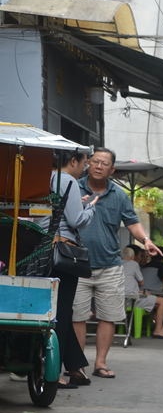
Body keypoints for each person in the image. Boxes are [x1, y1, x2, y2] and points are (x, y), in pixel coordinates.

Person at [72, 148, 162, 379]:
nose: (99, 166)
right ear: (88, 164)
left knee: (108, 316)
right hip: (77, 263)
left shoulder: (119, 195)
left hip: (110, 266)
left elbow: (132, 222)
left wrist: (146, 241)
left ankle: (100, 363)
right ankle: (78, 364)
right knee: (77, 316)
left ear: (112, 170)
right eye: (95, 161)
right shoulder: (73, 188)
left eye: (105, 164)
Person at [49, 151, 96, 389]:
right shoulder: (67, 180)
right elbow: (77, 220)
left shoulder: (46, 177)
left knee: (59, 311)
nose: (86, 168)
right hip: (64, 254)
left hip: (43, 251)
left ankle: (75, 365)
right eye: (85, 163)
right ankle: (54, 371)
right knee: (60, 312)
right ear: (73, 160)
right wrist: (91, 209)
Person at [121, 247, 163, 340]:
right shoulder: (134, 264)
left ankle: (160, 327)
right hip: (131, 300)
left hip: (118, 300)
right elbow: (141, 282)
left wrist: (141, 290)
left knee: (154, 301)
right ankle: (158, 329)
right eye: (140, 256)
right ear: (133, 256)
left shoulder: (116, 265)